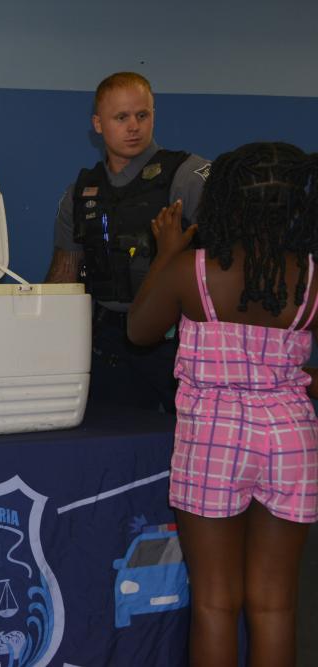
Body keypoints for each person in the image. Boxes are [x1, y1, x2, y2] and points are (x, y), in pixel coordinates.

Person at [127, 142, 318, 666]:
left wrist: (166, 252)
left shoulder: (194, 270)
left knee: (214, 602)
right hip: (291, 440)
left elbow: (139, 330)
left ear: (226, 202)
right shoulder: (310, 276)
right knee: (276, 605)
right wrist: (295, 377)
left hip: (214, 438)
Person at [45, 72, 212, 412]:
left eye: (142, 115)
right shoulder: (79, 194)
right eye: (121, 117)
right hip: (107, 345)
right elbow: (64, 275)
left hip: (179, 343)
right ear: (98, 123)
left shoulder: (188, 177)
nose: (133, 126)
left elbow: (224, 266)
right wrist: (45, 341)